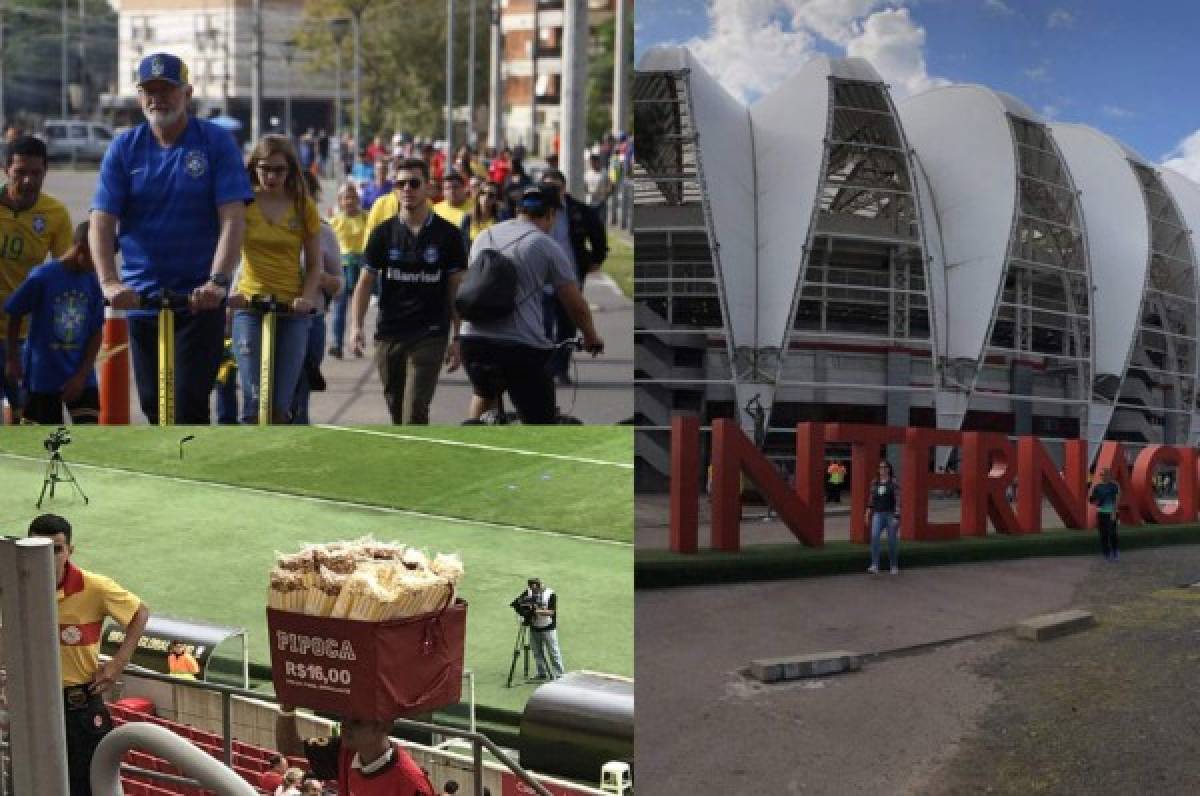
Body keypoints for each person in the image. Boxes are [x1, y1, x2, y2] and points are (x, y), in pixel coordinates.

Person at [91, 52, 253, 424]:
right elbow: (102, 221)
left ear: (188, 93)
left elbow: (233, 217)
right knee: (152, 404)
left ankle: (191, 479)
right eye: (150, 91)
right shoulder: (124, 147)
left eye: (168, 90)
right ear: (139, 97)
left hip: (199, 300)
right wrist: (109, 281)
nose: (158, 98)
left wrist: (218, 281)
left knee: (186, 405)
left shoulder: (215, 142)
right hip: (142, 295)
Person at [459, 186, 603, 424]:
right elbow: (574, 303)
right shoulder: (545, 245)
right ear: (551, 215)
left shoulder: (485, 236)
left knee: (483, 393)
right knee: (539, 420)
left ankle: (471, 449)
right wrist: (591, 337)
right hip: (519, 346)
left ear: (518, 211)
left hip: (473, 341)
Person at [29, 513, 149, 796]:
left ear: (70, 550)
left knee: (87, 786)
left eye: (56, 549)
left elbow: (140, 613)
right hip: (33, 705)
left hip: (78, 707)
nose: (49, 557)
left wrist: (118, 663)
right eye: (39, 548)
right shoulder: (18, 585)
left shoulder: (93, 587)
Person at [350, 158, 466, 424]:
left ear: (428, 188)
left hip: (430, 334)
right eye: (400, 184)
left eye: (414, 183)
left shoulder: (448, 235)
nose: (407, 189)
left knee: (415, 410)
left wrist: (459, 336)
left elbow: (455, 289)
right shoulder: (383, 233)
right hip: (390, 333)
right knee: (396, 407)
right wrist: (355, 326)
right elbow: (365, 282)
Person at [230, 134, 322, 423]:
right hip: (250, 304)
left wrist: (306, 298)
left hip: (291, 308)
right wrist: (226, 289)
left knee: (280, 406)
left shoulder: (302, 205)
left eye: (279, 170)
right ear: (254, 167)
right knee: (254, 401)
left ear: (291, 170)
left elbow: (315, 263)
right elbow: (227, 250)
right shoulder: (242, 203)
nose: (271, 176)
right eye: (265, 168)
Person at [0, 135, 73, 423]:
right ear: (6, 170)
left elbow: (66, 274)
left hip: (25, 335)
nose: (28, 181)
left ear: (46, 171)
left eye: (36, 173)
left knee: (22, 415)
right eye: (20, 173)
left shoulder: (55, 214)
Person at [4, 221, 103, 425]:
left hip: (80, 375)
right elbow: (15, 313)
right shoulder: (43, 277)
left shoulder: (93, 281)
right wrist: (13, 358)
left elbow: (96, 332)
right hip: (43, 377)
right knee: (47, 440)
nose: (102, 262)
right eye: (99, 255)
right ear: (82, 249)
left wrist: (82, 375)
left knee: (90, 432)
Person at [537, 169, 607, 385]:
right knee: (543, 326)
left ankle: (561, 368)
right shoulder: (533, 210)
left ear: (564, 188)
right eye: (546, 188)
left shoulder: (577, 210)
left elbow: (597, 233)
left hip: (569, 278)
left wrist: (596, 258)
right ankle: (544, 369)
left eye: (555, 188)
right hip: (540, 280)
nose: (551, 192)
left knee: (567, 326)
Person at [275, 709, 435, 795]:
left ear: (385, 726)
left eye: (357, 721)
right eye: (344, 718)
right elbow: (289, 747)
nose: (345, 725)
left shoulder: (413, 786)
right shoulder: (343, 750)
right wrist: (287, 707)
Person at [292, 171, 344, 423]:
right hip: (272, 319)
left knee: (300, 390)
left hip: (311, 320)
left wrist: (319, 278)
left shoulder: (324, 232)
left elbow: (340, 284)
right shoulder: (263, 228)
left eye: (305, 193)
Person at [328, 182, 366, 359]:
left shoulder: (366, 217)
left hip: (361, 266)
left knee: (359, 308)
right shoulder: (334, 221)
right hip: (342, 267)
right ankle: (336, 343)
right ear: (340, 201)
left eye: (352, 197)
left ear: (357, 199)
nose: (349, 201)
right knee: (339, 306)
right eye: (345, 198)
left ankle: (358, 342)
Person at [519, 577, 563, 680]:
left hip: (548, 628)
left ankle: (559, 675)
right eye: (531, 588)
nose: (534, 590)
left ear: (540, 585)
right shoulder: (528, 593)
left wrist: (536, 611)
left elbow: (551, 612)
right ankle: (541, 673)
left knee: (553, 652)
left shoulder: (551, 594)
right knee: (537, 652)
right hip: (534, 627)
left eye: (536, 588)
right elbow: (520, 604)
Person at [865, 460, 901, 575]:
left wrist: (897, 515)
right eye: (880, 467)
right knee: (874, 537)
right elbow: (871, 499)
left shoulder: (893, 482)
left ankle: (893, 565)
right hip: (878, 514)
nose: (882, 469)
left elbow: (898, 500)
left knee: (891, 541)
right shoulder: (875, 482)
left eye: (885, 467)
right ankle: (875, 565)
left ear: (889, 469)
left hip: (890, 514)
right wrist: (867, 512)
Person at [1089, 467, 1121, 561]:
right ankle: (1106, 553)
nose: (1102, 476)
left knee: (1112, 533)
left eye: (1103, 474)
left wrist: (1114, 512)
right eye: (1101, 475)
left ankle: (1115, 551)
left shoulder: (1113, 486)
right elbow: (1093, 500)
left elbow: (1117, 499)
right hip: (1101, 514)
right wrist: (1095, 501)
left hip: (1111, 513)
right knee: (1103, 534)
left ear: (1108, 475)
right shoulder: (1097, 487)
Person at [583, 152, 612, 218]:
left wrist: (607, 193)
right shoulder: (587, 174)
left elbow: (610, 184)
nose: (592, 164)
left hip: (601, 203)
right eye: (591, 162)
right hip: (590, 203)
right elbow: (584, 187)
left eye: (593, 162)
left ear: (598, 162)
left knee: (601, 224)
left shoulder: (604, 172)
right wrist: (587, 191)